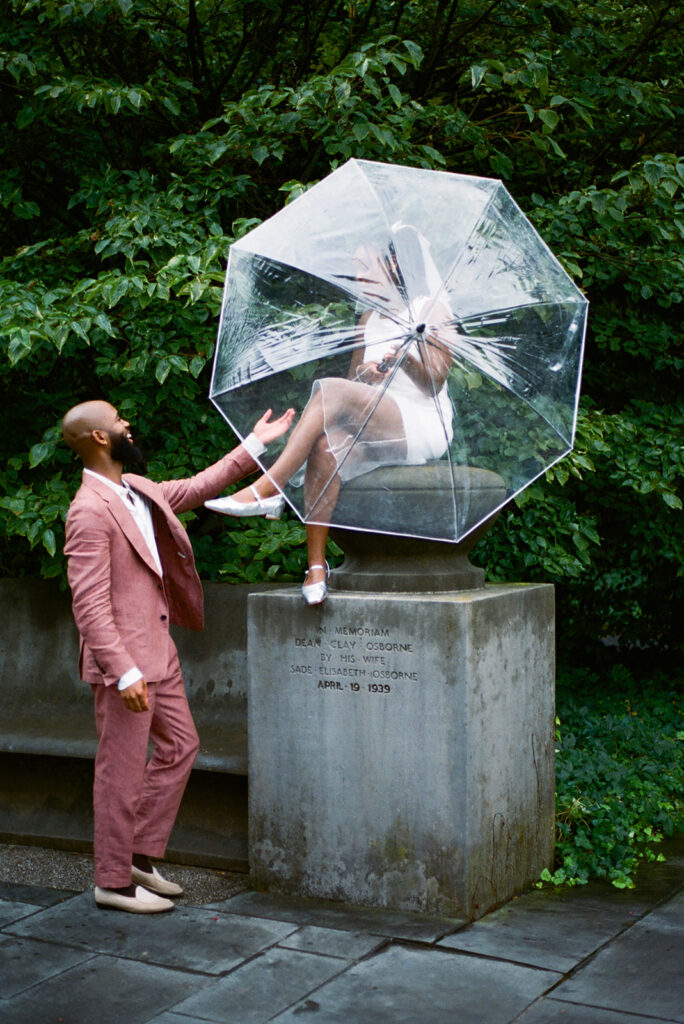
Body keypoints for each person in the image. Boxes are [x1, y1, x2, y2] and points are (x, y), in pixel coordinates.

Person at [61, 398, 293, 913]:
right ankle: (113, 881)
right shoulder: (88, 511)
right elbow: (90, 605)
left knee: (181, 746)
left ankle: (139, 856)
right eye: (120, 419)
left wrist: (256, 442)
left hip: (159, 652)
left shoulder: (137, 490)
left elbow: (198, 487)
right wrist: (123, 673)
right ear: (100, 438)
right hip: (126, 666)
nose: (128, 422)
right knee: (120, 771)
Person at [205, 228, 455, 605]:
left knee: (329, 389)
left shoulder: (428, 309)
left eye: (363, 267)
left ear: (392, 264)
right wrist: (368, 375)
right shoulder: (369, 317)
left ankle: (269, 487)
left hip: (421, 420)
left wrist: (406, 358)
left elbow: (435, 383)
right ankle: (317, 567)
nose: (357, 278)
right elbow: (355, 379)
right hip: (375, 415)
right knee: (325, 447)